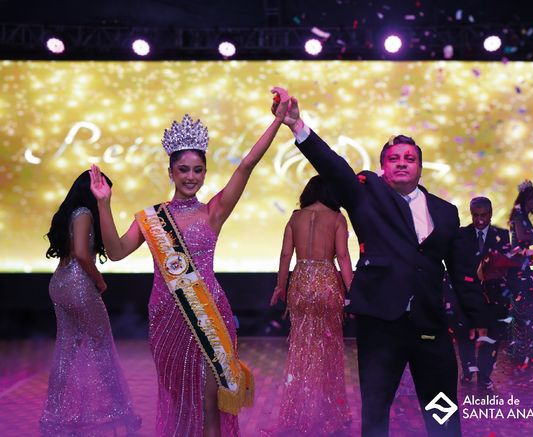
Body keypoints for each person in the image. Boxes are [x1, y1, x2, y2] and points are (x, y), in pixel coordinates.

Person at [271, 87, 486, 437]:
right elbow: (334, 167)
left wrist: (479, 319)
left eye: (409, 158)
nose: (402, 162)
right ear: (384, 167)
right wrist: (298, 126)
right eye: (394, 158)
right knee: (375, 413)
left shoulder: (446, 212)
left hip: (430, 325)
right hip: (381, 326)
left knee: (442, 410)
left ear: (419, 167)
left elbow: (462, 272)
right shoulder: (366, 195)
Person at [89, 90, 290, 437]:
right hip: (166, 321)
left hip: (209, 316)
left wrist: (278, 121)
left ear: (206, 173)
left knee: (210, 403)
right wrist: (103, 204)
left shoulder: (213, 212)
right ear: (170, 172)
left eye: (198, 170)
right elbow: (117, 251)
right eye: (183, 169)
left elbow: (246, 165)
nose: (190, 177)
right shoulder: (152, 218)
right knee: (181, 401)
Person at [41, 170, 141, 436]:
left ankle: (54, 416)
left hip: (59, 284)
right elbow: (82, 254)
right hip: (78, 286)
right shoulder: (85, 213)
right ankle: (121, 413)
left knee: (65, 351)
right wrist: (99, 280)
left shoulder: (70, 213)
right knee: (103, 348)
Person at [270, 175, 353, 435]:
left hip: (300, 282)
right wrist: (353, 291)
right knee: (328, 350)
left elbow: (286, 254)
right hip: (327, 283)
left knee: (302, 349)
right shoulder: (337, 218)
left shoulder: (296, 218)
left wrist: (280, 286)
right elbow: (342, 256)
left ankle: (301, 413)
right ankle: (328, 414)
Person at [449, 197, 510, 391]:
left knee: (491, 338)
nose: (480, 220)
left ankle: (484, 375)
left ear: (491, 214)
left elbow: (504, 265)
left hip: (492, 297)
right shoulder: (461, 235)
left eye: (483, 215)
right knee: (465, 335)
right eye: (475, 215)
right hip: (466, 295)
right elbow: (455, 266)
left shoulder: (502, 235)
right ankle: (468, 369)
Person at [507, 180, 533, 365]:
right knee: (521, 310)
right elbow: (522, 238)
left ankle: (523, 352)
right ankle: (520, 353)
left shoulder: (522, 216)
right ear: (526, 200)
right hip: (518, 268)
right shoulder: (519, 215)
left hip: (524, 266)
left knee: (524, 309)